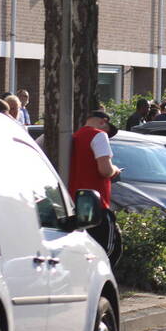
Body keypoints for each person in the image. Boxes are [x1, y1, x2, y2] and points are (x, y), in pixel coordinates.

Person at [70, 111, 122, 259]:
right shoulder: (99, 135)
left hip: (75, 201)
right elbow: (105, 170)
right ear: (103, 122)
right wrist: (115, 170)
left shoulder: (75, 136)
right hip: (97, 203)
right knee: (109, 250)